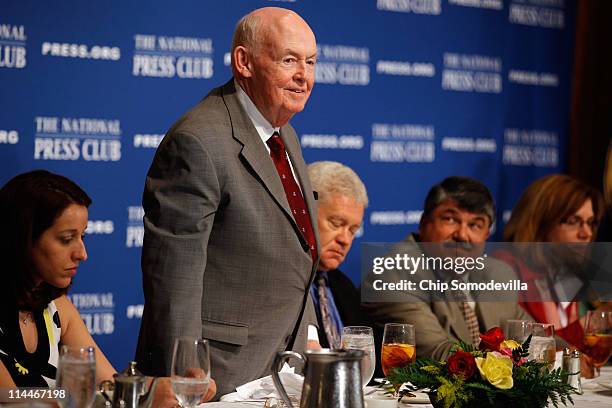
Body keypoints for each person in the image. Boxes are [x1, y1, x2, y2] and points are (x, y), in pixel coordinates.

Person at [135, 7, 319, 398]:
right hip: (218, 377)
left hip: (282, 371)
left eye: (310, 62)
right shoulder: (198, 141)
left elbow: (297, 251)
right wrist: (187, 380)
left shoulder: (284, 135)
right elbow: (173, 279)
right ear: (244, 62)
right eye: (289, 60)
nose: (304, 76)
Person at [0, 170, 216, 405]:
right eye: (66, 239)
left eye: (82, 236)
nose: (82, 254)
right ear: (22, 238)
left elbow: (110, 384)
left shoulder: (57, 308)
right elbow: (11, 399)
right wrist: (139, 397)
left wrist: (173, 386)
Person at [364, 176, 530, 362]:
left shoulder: (498, 274)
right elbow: (437, 354)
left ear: (486, 234)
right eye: (450, 219)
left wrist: (567, 354)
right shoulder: (395, 272)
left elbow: (533, 338)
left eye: (475, 225)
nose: (462, 235)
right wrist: (508, 364)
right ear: (424, 223)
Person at [499, 174, 605, 350]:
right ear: (540, 223)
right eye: (573, 221)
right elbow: (526, 349)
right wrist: (596, 321)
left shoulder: (570, 273)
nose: (586, 233)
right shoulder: (506, 270)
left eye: (590, 223)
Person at [307, 161, 368, 349]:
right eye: (336, 223)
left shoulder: (345, 287)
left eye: (353, 230)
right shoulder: (279, 285)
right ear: (304, 211)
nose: (345, 239)